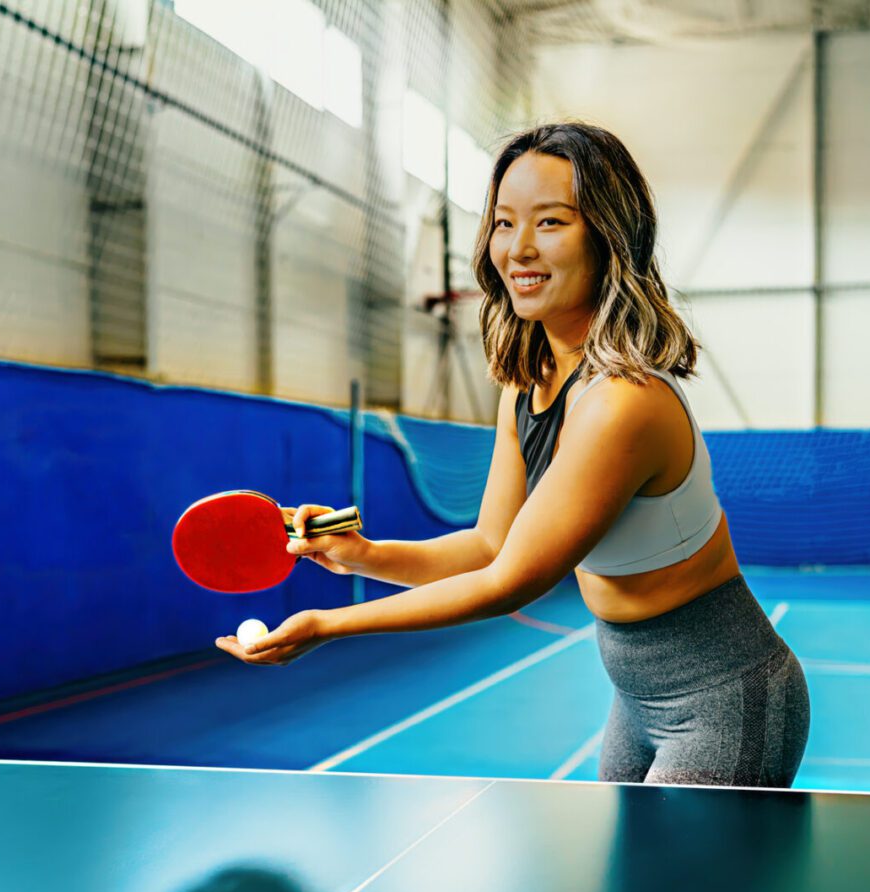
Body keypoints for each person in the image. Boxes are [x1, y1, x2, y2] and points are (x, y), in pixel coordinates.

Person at [216, 122, 809, 788]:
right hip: (635, 698)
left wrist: (326, 625)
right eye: (502, 222)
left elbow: (511, 583)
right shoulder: (528, 379)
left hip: (723, 699)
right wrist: (365, 554)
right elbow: (493, 545)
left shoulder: (621, 404)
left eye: (550, 222)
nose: (518, 249)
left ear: (609, 237)